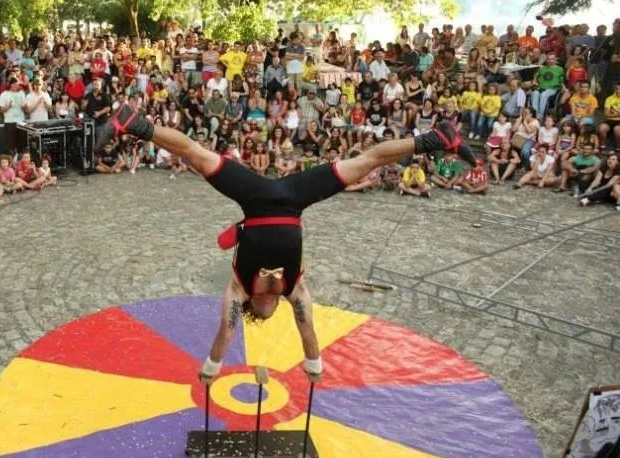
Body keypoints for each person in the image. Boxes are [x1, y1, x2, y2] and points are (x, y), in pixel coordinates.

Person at [93, 103, 473, 383]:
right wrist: (314, 367)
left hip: (257, 199)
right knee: (367, 161)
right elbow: (307, 329)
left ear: (257, 307)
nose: (272, 304)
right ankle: (436, 139)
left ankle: (133, 122)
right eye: (276, 307)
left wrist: (211, 369)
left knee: (195, 154)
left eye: (267, 309)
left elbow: (226, 332)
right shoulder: (296, 291)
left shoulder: (239, 291)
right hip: (293, 200)